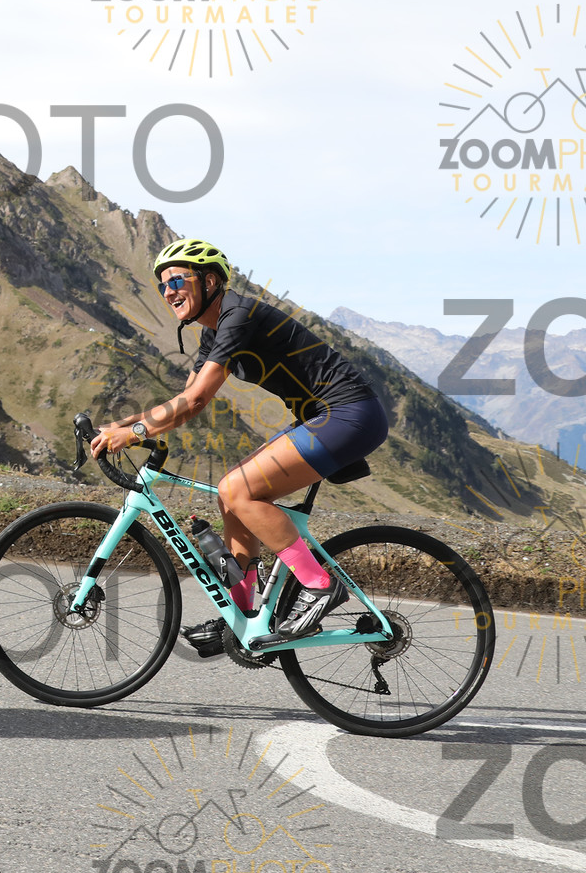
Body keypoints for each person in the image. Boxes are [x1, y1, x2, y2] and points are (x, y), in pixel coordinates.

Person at [88, 238, 388, 646]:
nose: (169, 292)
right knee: (230, 498)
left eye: (176, 280)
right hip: (323, 418)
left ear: (210, 281)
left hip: (350, 413)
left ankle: (318, 585)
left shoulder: (238, 315)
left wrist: (136, 433)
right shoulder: (212, 334)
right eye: (162, 286)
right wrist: (119, 427)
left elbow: (196, 400)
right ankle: (243, 617)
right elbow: (184, 400)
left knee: (238, 488)